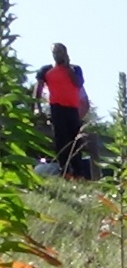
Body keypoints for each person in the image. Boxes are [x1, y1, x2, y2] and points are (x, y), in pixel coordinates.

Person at [32, 42, 88, 179]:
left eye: (60, 52)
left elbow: (78, 83)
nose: (58, 55)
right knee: (61, 139)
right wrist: (36, 107)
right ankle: (65, 171)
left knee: (75, 142)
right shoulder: (46, 70)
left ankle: (78, 174)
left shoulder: (75, 69)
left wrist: (67, 67)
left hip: (73, 109)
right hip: (57, 108)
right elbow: (38, 89)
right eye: (56, 52)